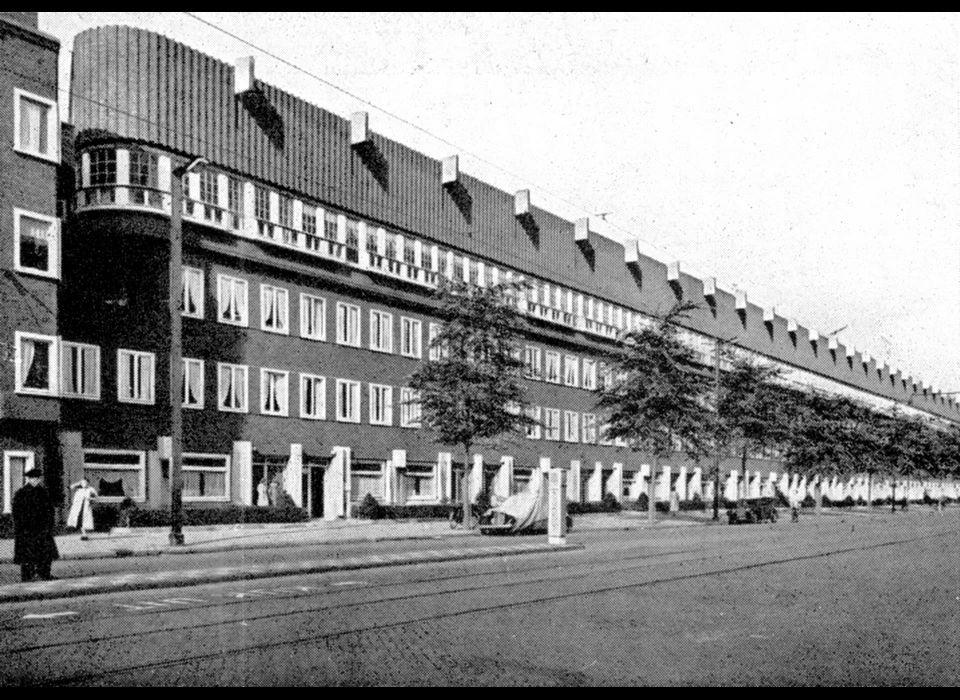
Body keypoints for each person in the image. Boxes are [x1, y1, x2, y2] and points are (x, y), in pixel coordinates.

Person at [12, 466, 59, 582]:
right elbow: (17, 511)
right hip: (27, 529)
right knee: (27, 553)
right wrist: (22, 525)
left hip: (43, 528)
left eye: (37, 478)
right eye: (32, 478)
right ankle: (27, 576)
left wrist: (49, 524)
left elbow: (50, 510)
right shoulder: (21, 493)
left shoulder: (44, 492)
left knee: (45, 553)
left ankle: (44, 573)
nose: (35, 480)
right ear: (28, 479)